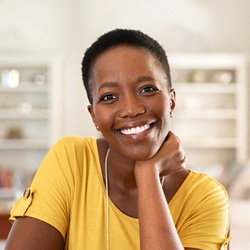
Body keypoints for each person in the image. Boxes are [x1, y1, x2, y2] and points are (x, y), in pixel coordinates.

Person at [5, 29, 231, 250]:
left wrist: (147, 173)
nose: (131, 110)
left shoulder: (206, 198)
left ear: (171, 101)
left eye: (147, 89)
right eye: (109, 96)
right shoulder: (72, 160)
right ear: (94, 115)